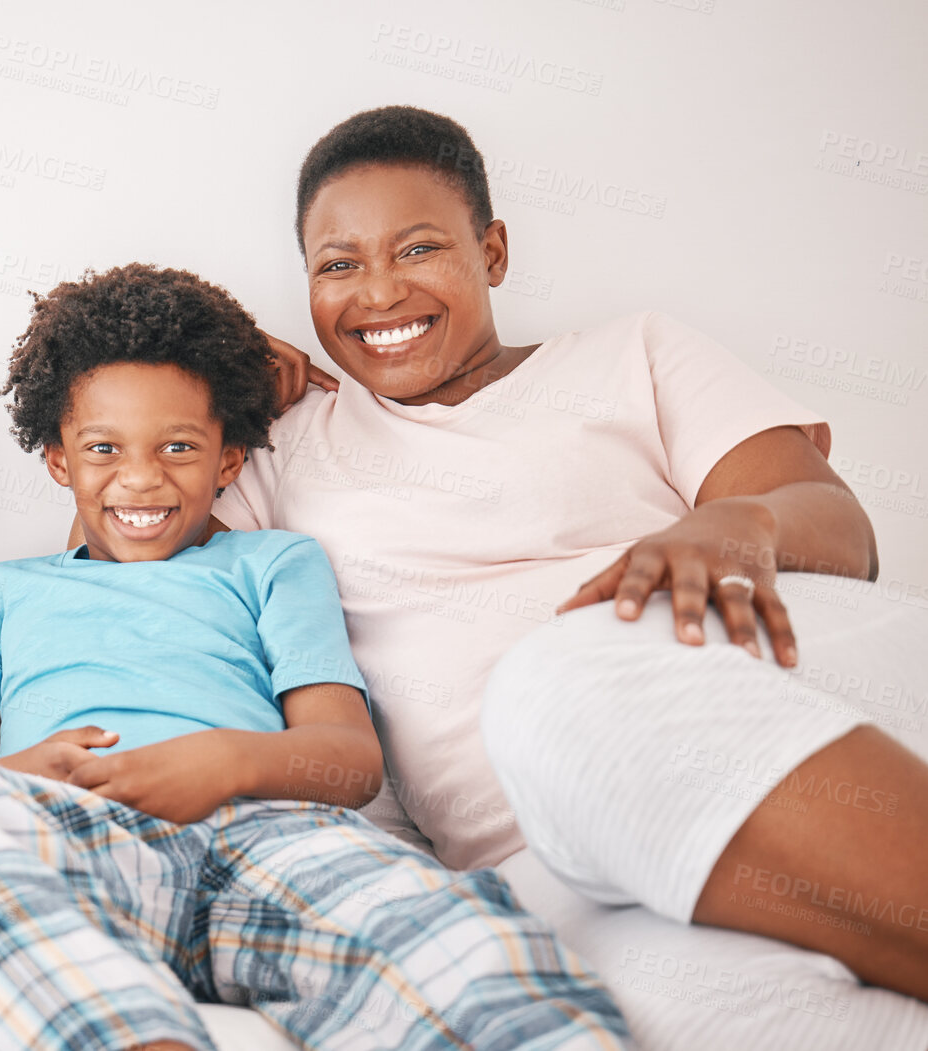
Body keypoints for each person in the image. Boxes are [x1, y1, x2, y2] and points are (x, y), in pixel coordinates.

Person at [226, 105, 928, 1006]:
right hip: (540, 854)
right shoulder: (282, 448)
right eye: (336, 265)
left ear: (493, 252)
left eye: (417, 249)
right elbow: (134, 579)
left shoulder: (632, 352)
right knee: (697, 1017)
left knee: (556, 685)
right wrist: (205, 381)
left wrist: (734, 523)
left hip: (755, 688)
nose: (377, 293)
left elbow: (839, 524)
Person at [0, 264, 629, 1051]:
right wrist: (33, 768)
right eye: (102, 448)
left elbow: (349, 762)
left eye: (177, 446)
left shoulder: (274, 564)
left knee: (450, 928)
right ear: (57, 461)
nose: (139, 478)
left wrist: (221, 762)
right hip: (79, 845)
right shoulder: (4, 590)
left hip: (267, 837)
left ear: (227, 460)